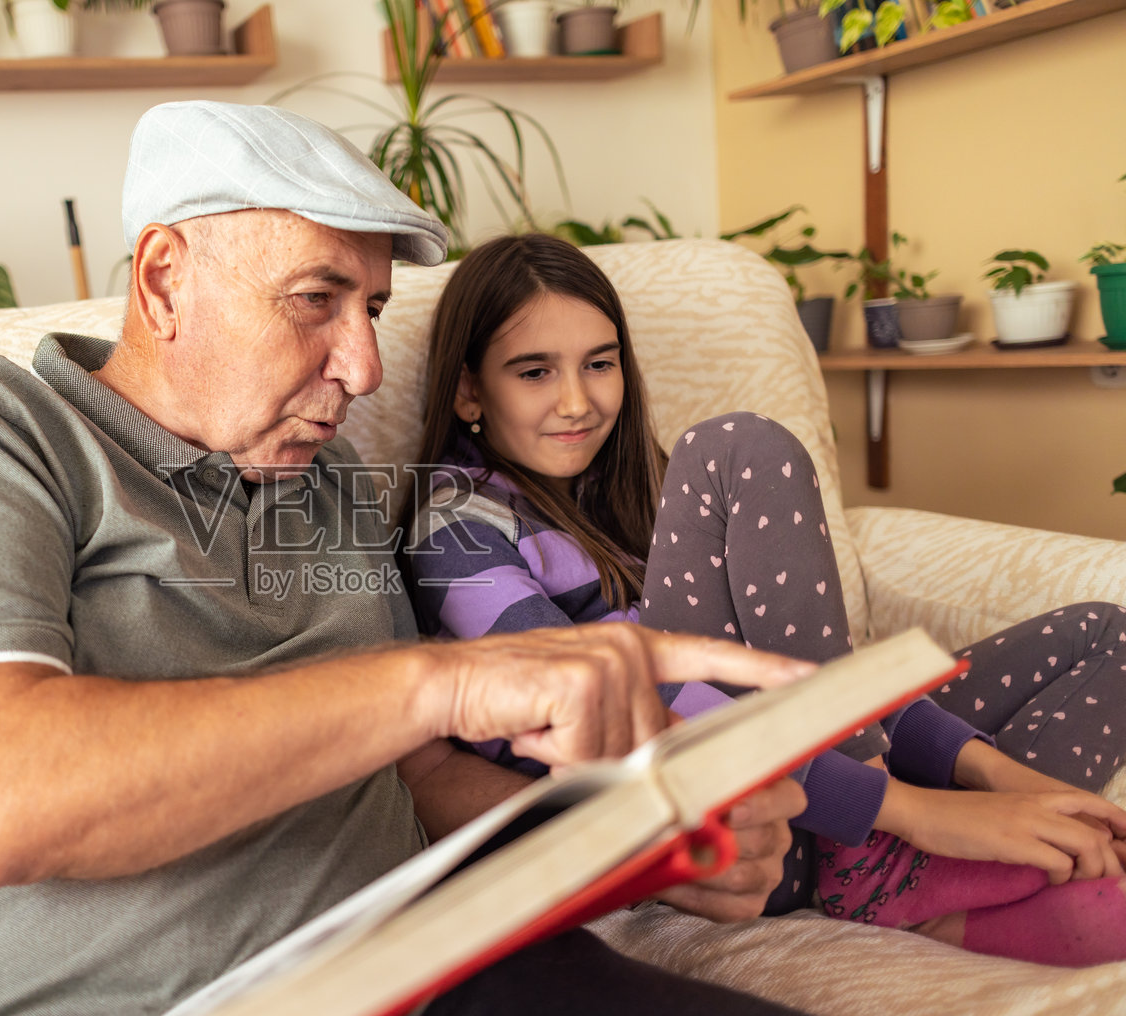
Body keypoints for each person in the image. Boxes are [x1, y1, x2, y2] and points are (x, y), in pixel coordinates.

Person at [0, 102, 956, 1016]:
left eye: (368, 309)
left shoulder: (329, 489)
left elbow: (416, 775)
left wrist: (640, 845)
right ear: (165, 280)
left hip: (422, 997)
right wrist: (442, 682)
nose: (364, 366)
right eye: (314, 299)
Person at [402, 231, 1126, 967]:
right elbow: (619, 711)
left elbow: (799, 669)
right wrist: (906, 808)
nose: (576, 401)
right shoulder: (456, 533)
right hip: (728, 824)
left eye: (599, 363)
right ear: (469, 390)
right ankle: (873, 857)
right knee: (737, 447)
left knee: (1106, 637)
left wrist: (1001, 779)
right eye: (534, 371)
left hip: (812, 778)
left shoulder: (630, 493)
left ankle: (933, 879)